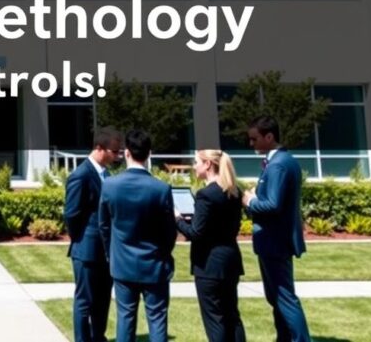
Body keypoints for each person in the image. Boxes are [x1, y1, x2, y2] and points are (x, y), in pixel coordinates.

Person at [99, 130, 177, 342]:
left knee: (125, 319)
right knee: (157, 320)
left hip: (123, 263)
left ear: (126, 153)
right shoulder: (161, 188)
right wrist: (163, 253)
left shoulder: (110, 185)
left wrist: (111, 254)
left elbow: (104, 226)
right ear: (149, 153)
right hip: (154, 263)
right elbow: (170, 231)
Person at [242, 116, 312, 342]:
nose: (251, 144)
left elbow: (273, 205)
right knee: (276, 296)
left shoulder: (278, 164)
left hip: (275, 241)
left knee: (283, 296)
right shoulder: (281, 161)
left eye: (254, 139)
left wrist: (250, 201)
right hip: (274, 240)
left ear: (269, 137)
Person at [176, 150, 247, 342]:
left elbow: (195, 233)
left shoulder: (206, 195)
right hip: (230, 260)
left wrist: (177, 219)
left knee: (215, 320)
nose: (194, 166)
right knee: (232, 316)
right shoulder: (234, 191)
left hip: (209, 265)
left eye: (196, 162)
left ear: (208, 164)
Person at [64, 127, 123, 342]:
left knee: (103, 299)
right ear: (99, 148)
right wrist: (82, 239)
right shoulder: (81, 175)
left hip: (106, 250)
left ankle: (98, 337)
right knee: (85, 301)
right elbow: (71, 214)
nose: (117, 156)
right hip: (87, 250)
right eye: (114, 152)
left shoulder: (106, 174)